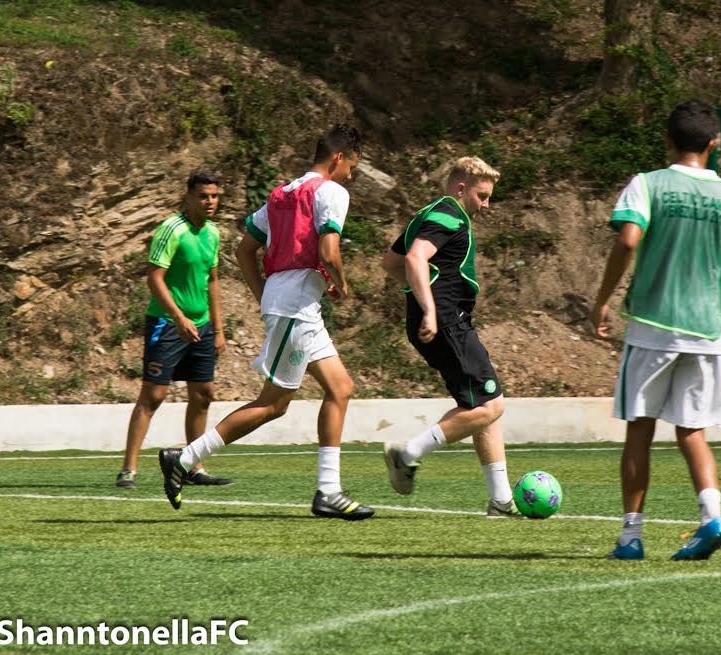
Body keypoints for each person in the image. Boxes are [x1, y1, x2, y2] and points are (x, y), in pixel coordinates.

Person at [157, 124, 374, 521]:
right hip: (296, 306)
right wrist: (341, 285)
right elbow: (328, 250)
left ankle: (328, 491)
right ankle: (185, 458)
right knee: (272, 405)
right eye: (351, 166)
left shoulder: (281, 193)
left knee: (341, 388)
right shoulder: (332, 192)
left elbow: (244, 250)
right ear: (340, 158)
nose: (350, 176)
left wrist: (265, 297)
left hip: (290, 303)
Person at [588, 100, 721, 560]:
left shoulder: (648, 185)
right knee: (693, 432)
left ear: (667, 140)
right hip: (708, 331)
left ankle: (630, 537)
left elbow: (628, 239)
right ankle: (712, 518)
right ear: (713, 145)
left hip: (652, 326)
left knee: (640, 430)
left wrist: (603, 298)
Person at [380, 156, 517, 517]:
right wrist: (429, 306)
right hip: (447, 321)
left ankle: (501, 500)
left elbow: (390, 264)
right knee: (491, 405)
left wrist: (419, 298)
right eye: (482, 196)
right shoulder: (451, 214)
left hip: (442, 320)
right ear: (461, 188)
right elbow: (414, 259)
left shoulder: (426, 212)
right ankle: (407, 454)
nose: (486, 205)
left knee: (483, 405)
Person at [115, 171, 232, 490]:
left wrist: (219, 329)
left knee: (204, 394)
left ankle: (193, 465)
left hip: (203, 325)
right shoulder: (171, 229)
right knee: (154, 395)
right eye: (203, 196)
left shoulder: (213, 232)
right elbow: (154, 278)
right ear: (188, 197)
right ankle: (128, 469)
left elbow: (214, 280)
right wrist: (179, 318)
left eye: (214, 196)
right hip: (167, 324)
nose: (210, 201)